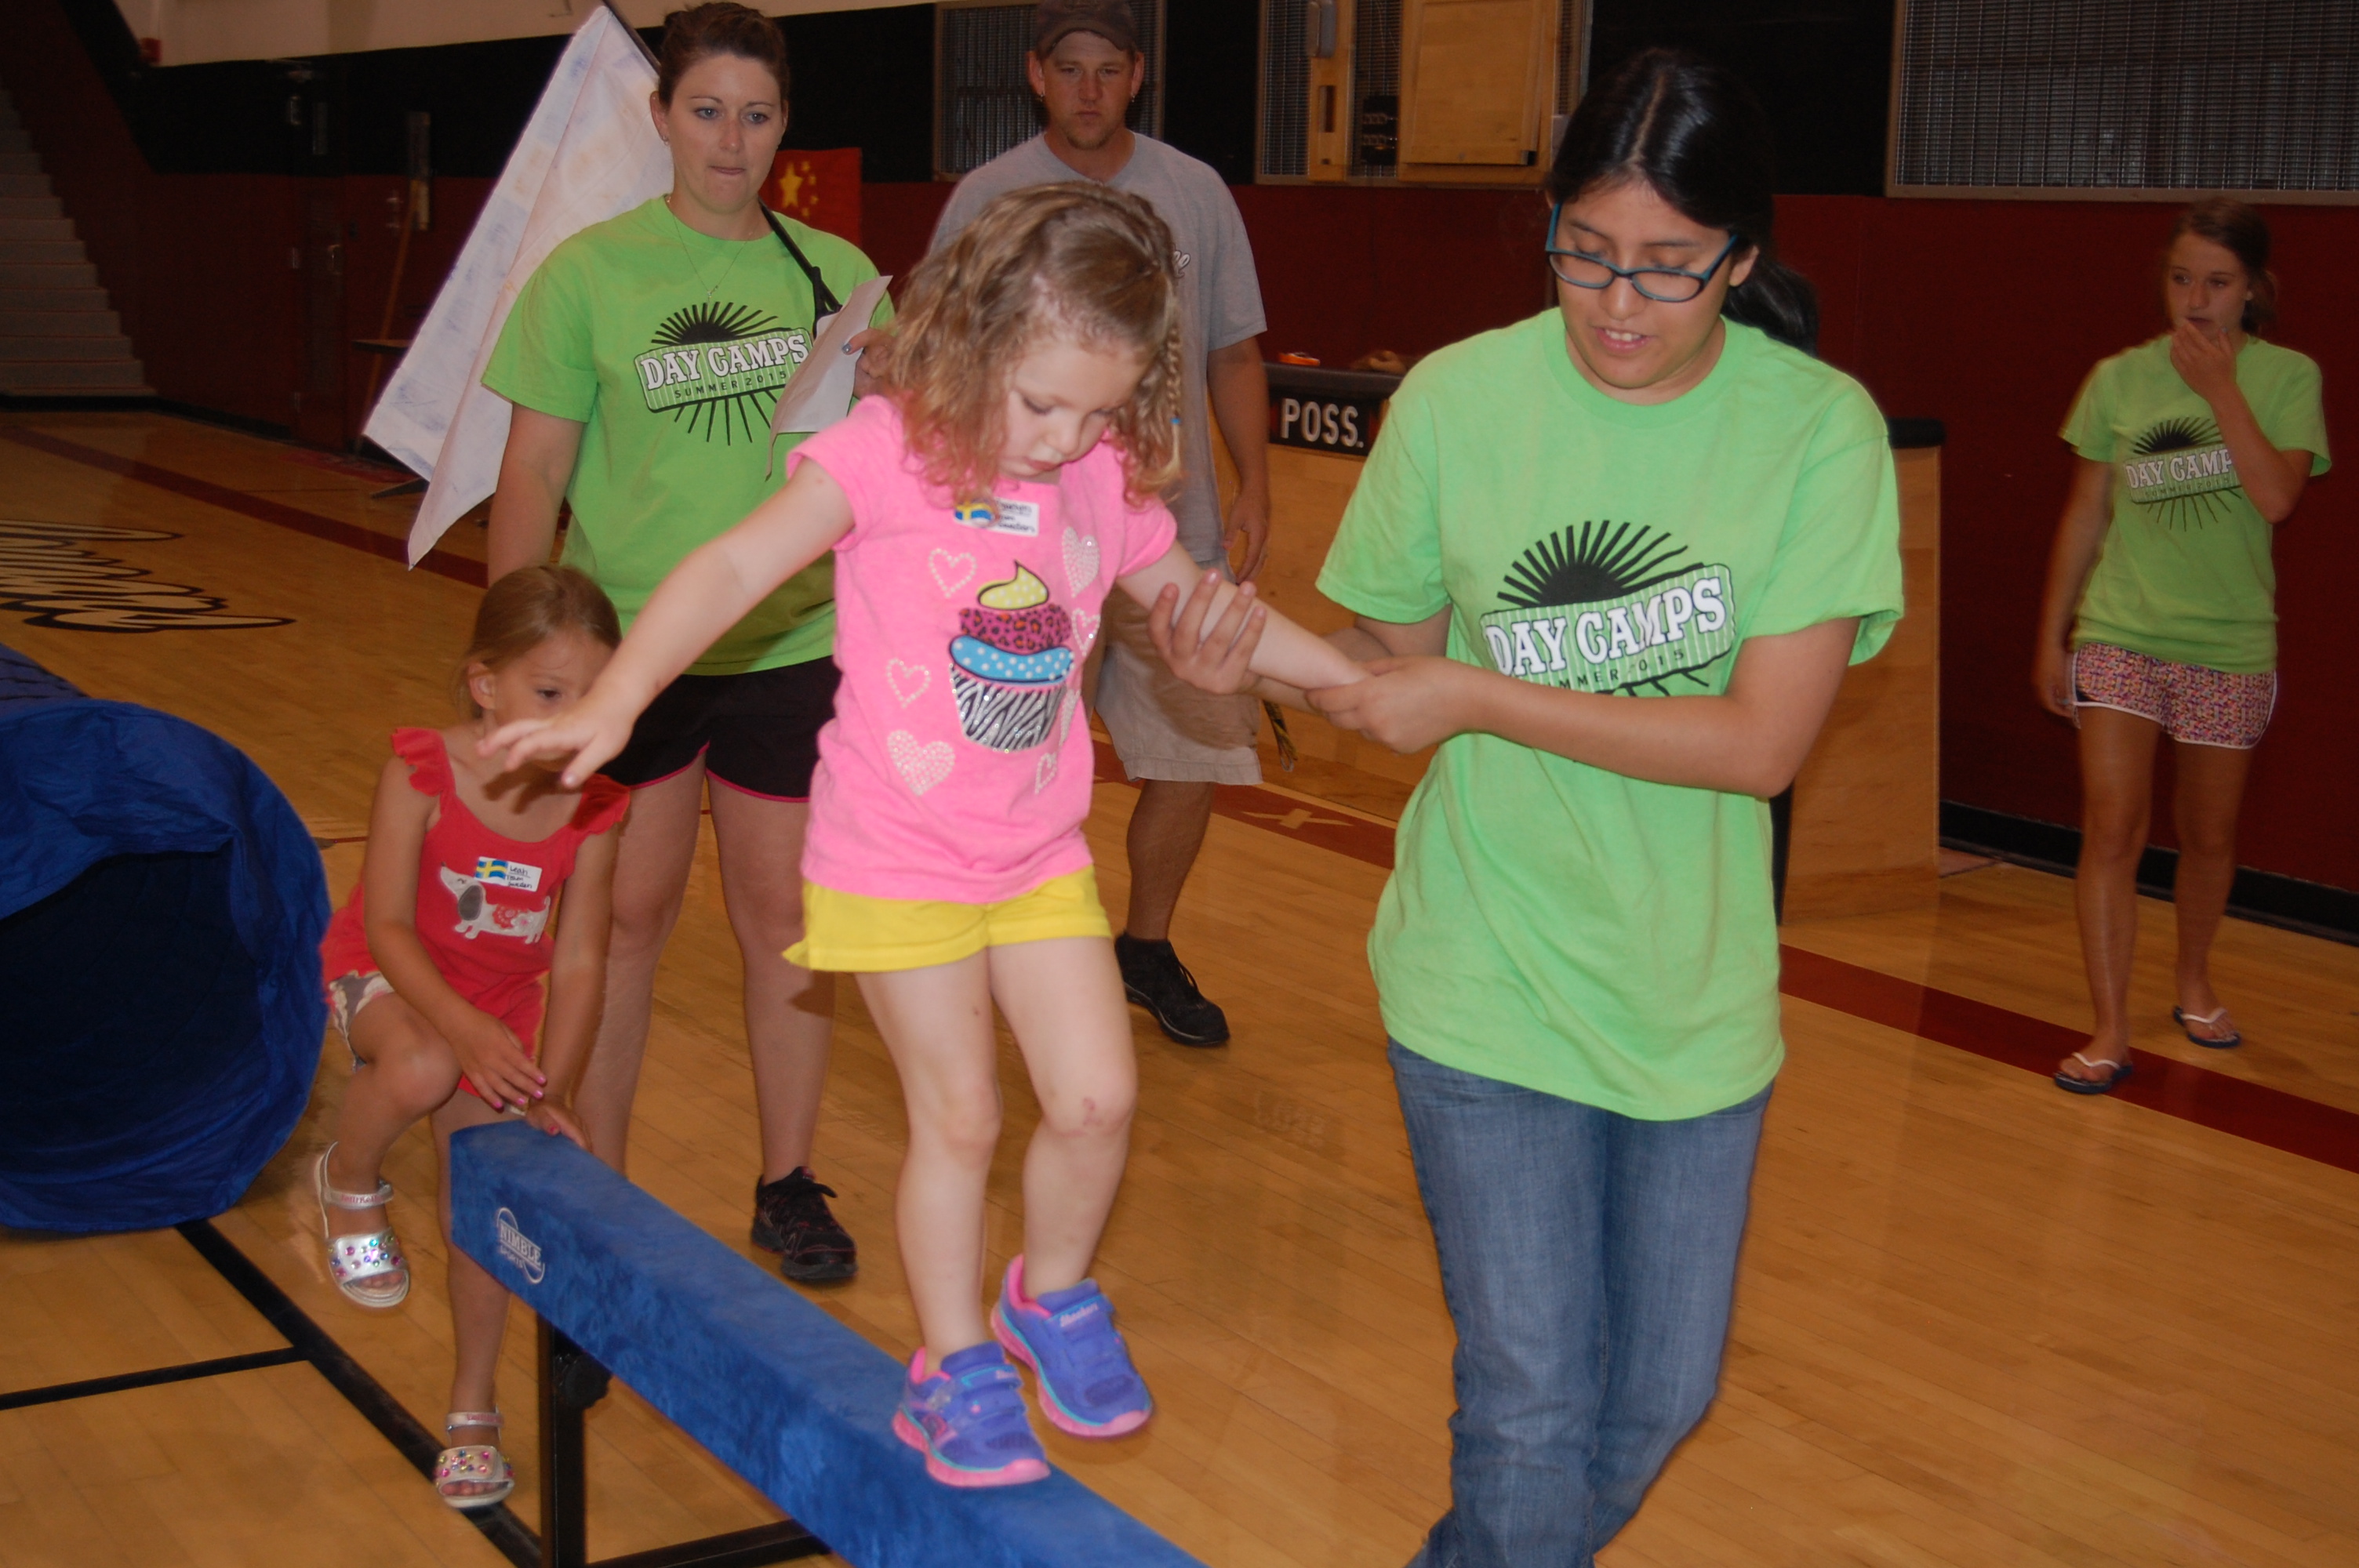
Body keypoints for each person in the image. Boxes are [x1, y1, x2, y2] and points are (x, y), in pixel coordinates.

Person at [488, 183, 1364, 1487]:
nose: (1064, 436)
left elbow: (1192, 598)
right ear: (975, 338)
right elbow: (732, 568)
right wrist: (618, 695)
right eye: (1040, 402)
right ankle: (951, 1366)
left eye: (1095, 410)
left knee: (1095, 1095)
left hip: (1034, 852)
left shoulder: (1090, 479)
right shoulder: (884, 452)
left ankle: (1046, 1297)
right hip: (892, 857)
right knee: (954, 1118)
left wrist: (1350, 685)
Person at [1286, 49, 1903, 1566]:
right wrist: (1266, 657)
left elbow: (1762, 745)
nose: (1616, 305)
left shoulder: (1817, 432)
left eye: (1668, 271)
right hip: (1482, 971)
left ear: (1741, 260)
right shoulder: (1457, 397)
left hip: (1688, 997)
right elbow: (1395, 662)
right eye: (1584, 253)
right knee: (1526, 1400)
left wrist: (1484, 696)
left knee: (1655, 1397)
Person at [484, 2, 890, 1279]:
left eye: (756, 114)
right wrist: (513, 678)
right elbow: (529, 478)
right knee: (628, 920)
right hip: (631, 663)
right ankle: (598, 1190)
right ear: (660, 116)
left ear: (785, 127)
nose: (731, 138)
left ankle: (786, 1182)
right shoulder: (586, 274)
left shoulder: (835, 272)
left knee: (783, 920)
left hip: (791, 647)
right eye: (706, 110)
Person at [928, 0, 1273, 1047]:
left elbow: (1232, 351)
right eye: (1067, 68)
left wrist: (1254, 481)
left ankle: (1146, 946)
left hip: (1173, 530)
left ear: (1134, 77)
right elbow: (936, 350)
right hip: (1028, 543)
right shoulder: (989, 198)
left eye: (1107, 69)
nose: (1088, 88)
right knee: (1020, 756)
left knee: (1191, 755)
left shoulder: (1196, 193)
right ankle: (1011, 944)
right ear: (1036, 74)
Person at [312, 565, 629, 1511]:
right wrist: (466, 1027)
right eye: (547, 693)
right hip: (389, 975)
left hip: (499, 1007)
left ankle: (472, 1411)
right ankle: (350, 1174)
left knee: (479, 1200)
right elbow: (391, 924)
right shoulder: (419, 768)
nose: (568, 719)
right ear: (484, 683)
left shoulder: (596, 806)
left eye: (592, 697)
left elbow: (577, 964)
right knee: (421, 1061)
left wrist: (553, 1085)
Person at [2034, 200, 2329, 1094]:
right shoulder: (2117, 379)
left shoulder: (2286, 376)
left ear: (2251, 290)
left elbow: (2278, 497)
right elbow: (2085, 514)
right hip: (2121, 629)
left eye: (2216, 282)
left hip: (2226, 641)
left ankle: (2192, 978)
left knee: (2205, 833)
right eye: (2179, 278)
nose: (2194, 299)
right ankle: (2109, 1025)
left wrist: (2219, 391)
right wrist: (2053, 635)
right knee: (2111, 825)